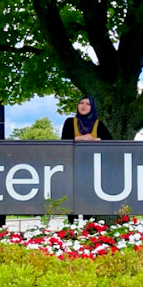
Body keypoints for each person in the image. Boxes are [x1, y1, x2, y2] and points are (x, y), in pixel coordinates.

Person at [61, 95, 112, 224]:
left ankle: (88, 228)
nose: (83, 106)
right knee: (72, 197)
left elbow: (110, 141)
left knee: (89, 198)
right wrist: (81, 138)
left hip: (91, 168)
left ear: (92, 107)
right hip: (73, 166)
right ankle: (71, 228)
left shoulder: (98, 124)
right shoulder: (70, 122)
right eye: (81, 103)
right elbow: (64, 141)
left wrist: (95, 140)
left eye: (87, 104)